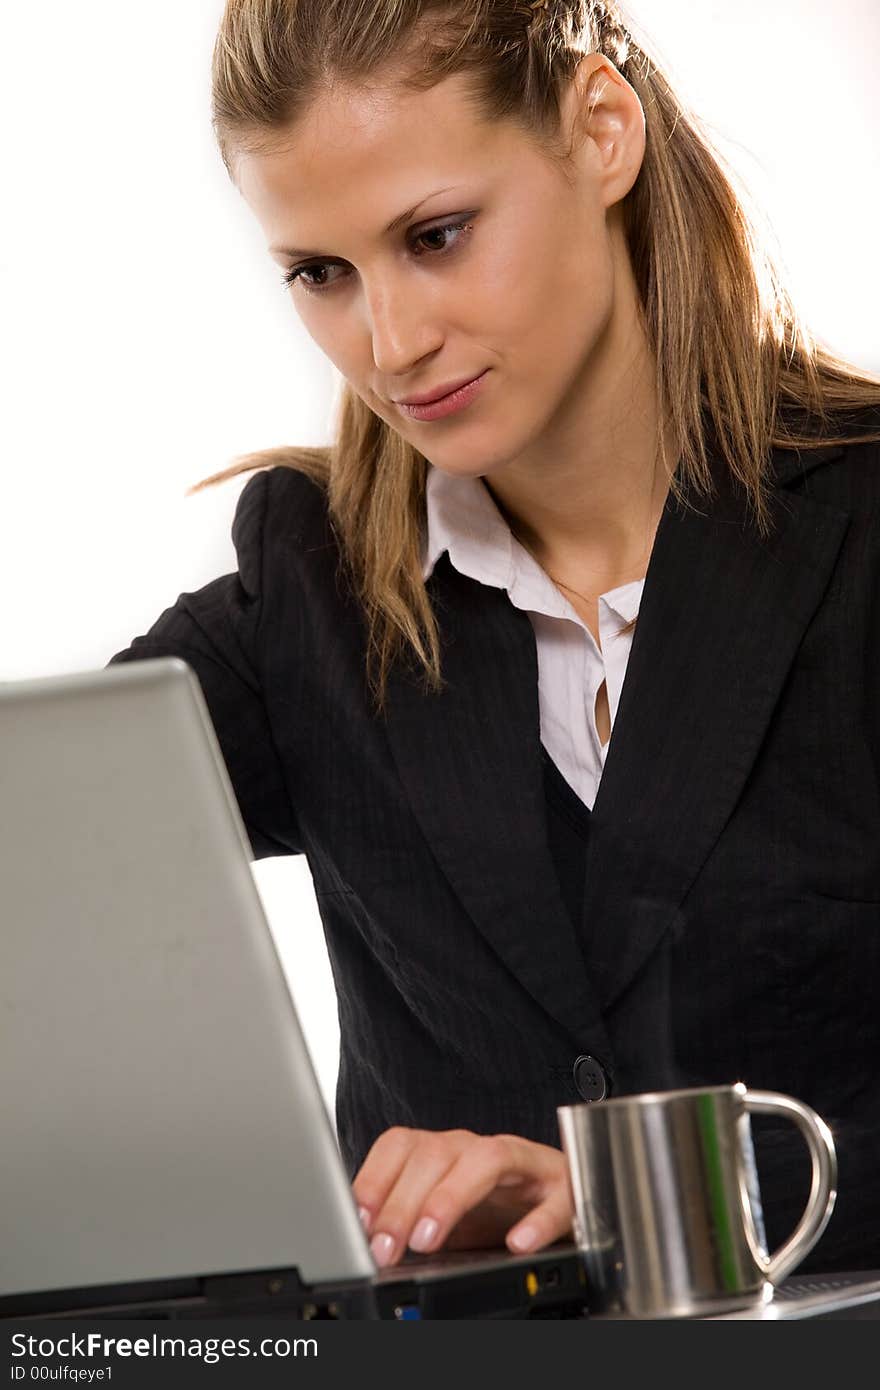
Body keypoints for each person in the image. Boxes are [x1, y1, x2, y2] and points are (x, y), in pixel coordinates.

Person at [109, 0, 880, 1276]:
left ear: (601, 131)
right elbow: (54, 840)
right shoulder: (306, 582)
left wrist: (629, 1197)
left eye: (437, 235)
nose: (392, 343)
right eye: (321, 273)